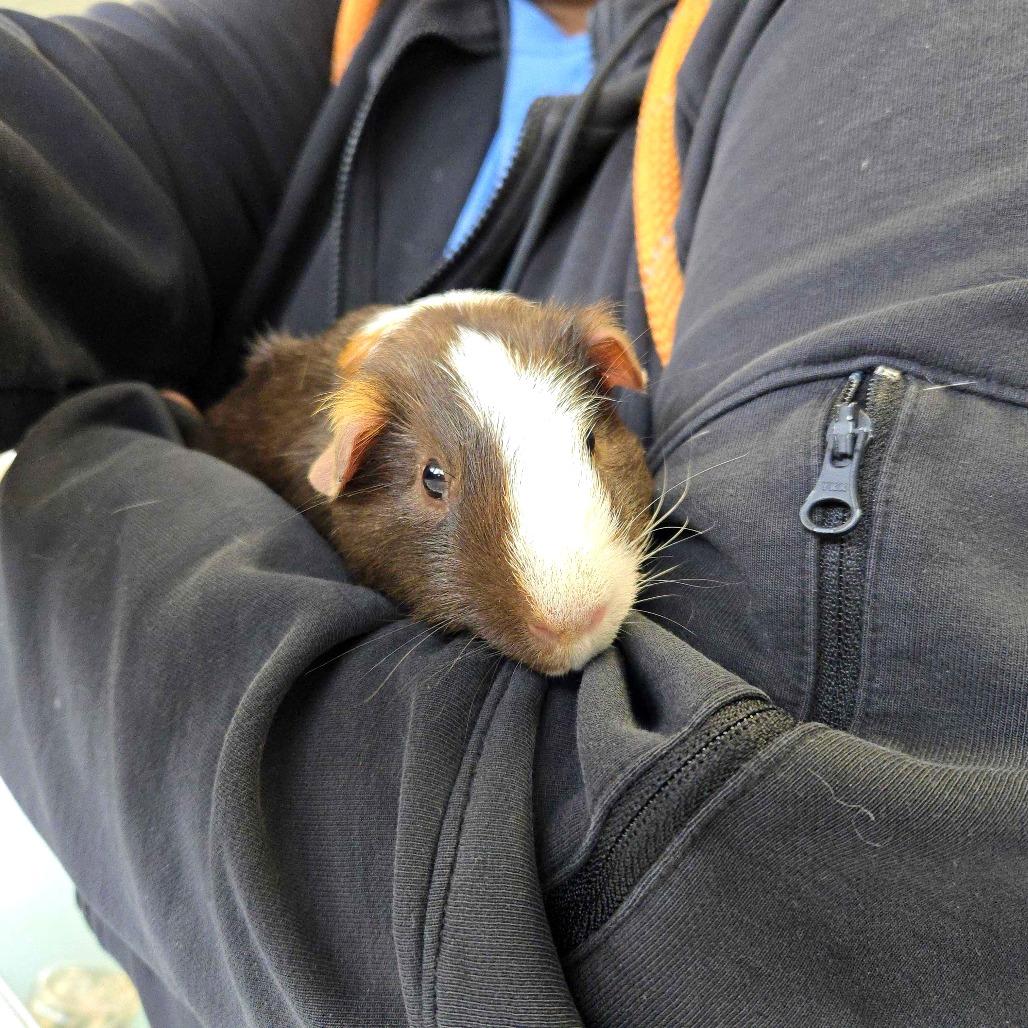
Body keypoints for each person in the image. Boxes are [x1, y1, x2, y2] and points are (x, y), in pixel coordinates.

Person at [2, 0, 1027, 1024]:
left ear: (606, 388)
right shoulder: (360, 26)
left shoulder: (881, 45)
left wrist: (80, 463)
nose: (562, 607)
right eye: (437, 484)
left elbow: (701, 901)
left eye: (589, 437)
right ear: (351, 462)